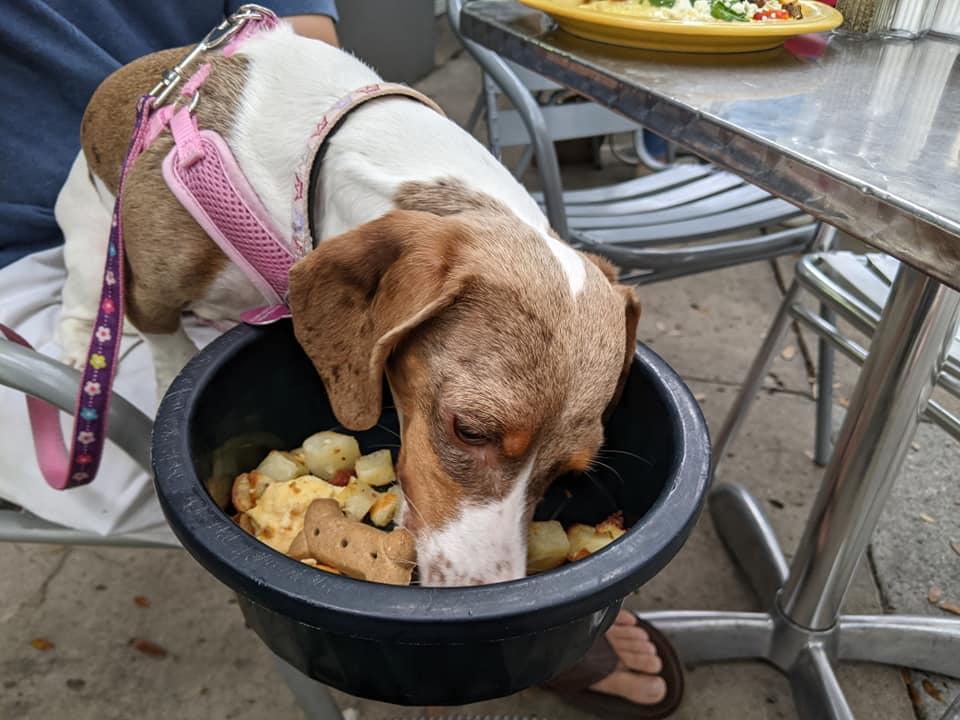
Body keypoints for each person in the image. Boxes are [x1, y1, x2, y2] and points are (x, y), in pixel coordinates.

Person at [0, 2, 677, 716]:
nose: (495, 578)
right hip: (73, 246)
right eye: (472, 432)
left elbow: (312, 31)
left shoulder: (419, 245)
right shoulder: (189, 221)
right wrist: (163, 360)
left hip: (308, 186)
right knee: (214, 476)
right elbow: (152, 306)